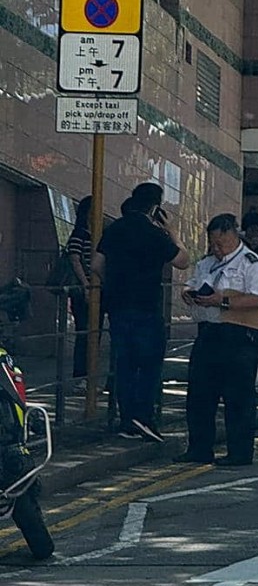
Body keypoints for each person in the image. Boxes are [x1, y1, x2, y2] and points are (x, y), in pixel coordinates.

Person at [93, 182, 189, 441]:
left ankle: (126, 420)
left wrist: (112, 284)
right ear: (156, 207)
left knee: (123, 364)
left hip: (118, 305)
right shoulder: (154, 233)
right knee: (148, 365)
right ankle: (143, 417)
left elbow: (97, 263)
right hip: (147, 305)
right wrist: (172, 231)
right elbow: (182, 260)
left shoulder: (115, 228)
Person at [175, 214, 258, 466]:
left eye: (222, 243)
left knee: (238, 396)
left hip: (238, 335)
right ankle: (199, 448)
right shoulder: (206, 263)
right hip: (209, 331)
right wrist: (188, 293)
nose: (217, 249)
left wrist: (224, 301)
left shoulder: (252, 264)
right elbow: (191, 283)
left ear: (234, 236)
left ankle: (239, 452)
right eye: (213, 244)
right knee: (200, 394)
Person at [66, 196, 95, 390]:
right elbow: (74, 259)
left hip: (92, 289)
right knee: (84, 332)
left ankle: (88, 376)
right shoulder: (80, 234)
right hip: (83, 290)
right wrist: (86, 285)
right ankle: (80, 376)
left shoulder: (94, 235)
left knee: (91, 333)